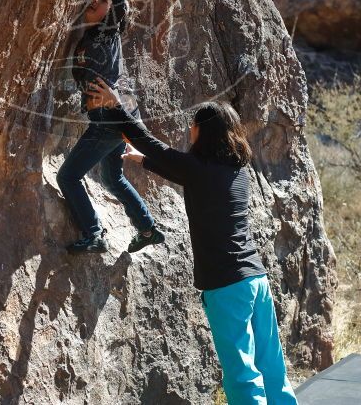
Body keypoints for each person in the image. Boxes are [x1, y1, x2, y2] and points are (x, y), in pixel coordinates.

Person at [86, 77, 299, 405]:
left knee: (241, 372)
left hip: (227, 285)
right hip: (255, 280)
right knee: (271, 365)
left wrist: (116, 106)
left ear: (204, 131)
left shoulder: (200, 169)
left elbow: (152, 144)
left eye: (194, 127)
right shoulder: (237, 169)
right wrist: (140, 160)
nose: (190, 133)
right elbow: (183, 170)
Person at [56, 0, 166, 254]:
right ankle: (147, 229)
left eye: (100, 1)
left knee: (67, 176)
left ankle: (93, 233)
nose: (93, 3)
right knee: (112, 176)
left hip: (110, 119)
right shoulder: (90, 37)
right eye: (91, 0)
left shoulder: (107, 31)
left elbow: (120, 5)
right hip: (113, 118)